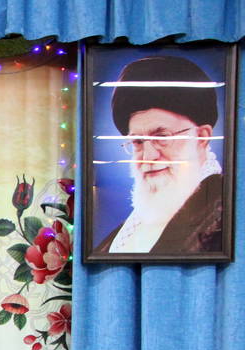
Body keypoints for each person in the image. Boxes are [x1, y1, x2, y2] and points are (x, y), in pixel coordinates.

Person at [94, 55, 223, 255]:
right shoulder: (126, 231)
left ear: (201, 137)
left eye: (162, 136)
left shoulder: (225, 213)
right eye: (138, 142)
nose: (148, 155)